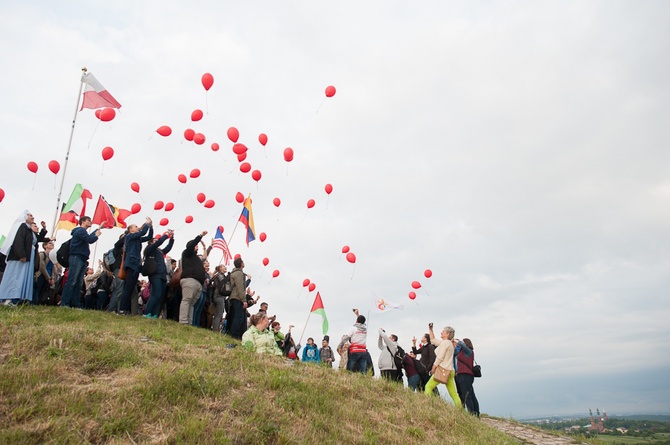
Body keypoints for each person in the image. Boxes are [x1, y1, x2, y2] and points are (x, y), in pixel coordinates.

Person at [0, 211, 43, 305]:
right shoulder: (22, 226)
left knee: (21, 278)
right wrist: (21, 255)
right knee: (14, 277)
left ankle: (17, 299)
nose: (33, 217)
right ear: (25, 216)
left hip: (27, 257)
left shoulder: (28, 229)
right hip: (19, 257)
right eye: (30, 215)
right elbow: (18, 241)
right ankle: (7, 299)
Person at [61, 216, 103, 308]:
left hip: (82, 259)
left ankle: (75, 303)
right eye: (88, 220)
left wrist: (98, 228)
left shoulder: (82, 232)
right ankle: (65, 303)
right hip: (76, 257)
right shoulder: (80, 231)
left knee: (78, 283)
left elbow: (88, 237)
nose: (90, 222)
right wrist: (97, 235)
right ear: (83, 222)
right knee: (72, 281)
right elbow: (90, 239)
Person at [118, 218, 153, 314]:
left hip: (135, 265)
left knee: (130, 287)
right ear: (131, 230)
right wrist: (146, 224)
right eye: (136, 227)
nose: (138, 228)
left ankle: (126, 309)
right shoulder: (129, 236)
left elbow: (149, 236)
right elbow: (142, 233)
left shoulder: (137, 239)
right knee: (128, 288)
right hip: (132, 265)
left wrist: (151, 227)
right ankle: (122, 309)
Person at [423, 324, 462, 408]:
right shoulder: (447, 343)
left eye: (443, 331)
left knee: (428, 387)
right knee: (454, 394)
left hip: (443, 370)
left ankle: (428, 406)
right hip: (450, 371)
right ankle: (460, 410)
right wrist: (431, 329)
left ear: (447, 334)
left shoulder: (445, 343)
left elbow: (440, 357)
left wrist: (433, 368)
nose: (441, 332)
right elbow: (433, 340)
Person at [143, 229, 174, 318]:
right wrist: (166, 235)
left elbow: (168, 247)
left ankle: (154, 314)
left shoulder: (159, 252)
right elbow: (158, 243)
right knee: (155, 294)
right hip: (155, 274)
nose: (158, 242)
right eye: (155, 240)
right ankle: (147, 312)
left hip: (162, 275)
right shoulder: (150, 249)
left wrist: (171, 238)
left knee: (159, 295)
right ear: (150, 242)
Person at [179, 231, 208, 325]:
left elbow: (204, 257)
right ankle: (183, 321)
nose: (197, 247)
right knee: (187, 300)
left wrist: (206, 247)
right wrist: (200, 236)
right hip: (189, 280)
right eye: (196, 245)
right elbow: (191, 246)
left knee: (191, 303)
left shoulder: (196, 258)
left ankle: (189, 322)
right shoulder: (187, 253)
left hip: (198, 283)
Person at [456, 338, 480, 416]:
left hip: (464, 375)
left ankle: (471, 414)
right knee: (471, 395)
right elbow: (456, 350)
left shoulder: (468, 351)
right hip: (466, 376)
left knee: (467, 396)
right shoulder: (464, 352)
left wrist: (458, 341)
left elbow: (462, 345)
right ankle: (476, 413)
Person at [34, 238, 61, 306]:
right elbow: (42, 267)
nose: (52, 244)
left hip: (49, 276)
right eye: (49, 243)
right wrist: (48, 277)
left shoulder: (53, 256)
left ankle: (41, 303)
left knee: (44, 291)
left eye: (52, 243)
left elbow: (55, 270)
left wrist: (51, 278)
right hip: (41, 275)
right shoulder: (42, 254)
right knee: (39, 290)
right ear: (45, 246)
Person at [228, 257, 248, 339]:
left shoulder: (233, 273)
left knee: (234, 316)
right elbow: (240, 287)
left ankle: (231, 332)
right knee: (238, 317)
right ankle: (234, 334)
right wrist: (244, 300)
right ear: (241, 264)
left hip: (233, 297)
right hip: (237, 297)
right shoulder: (239, 274)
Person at [344, 308, 368, 373]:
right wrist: (357, 315)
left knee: (349, 368)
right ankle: (364, 379)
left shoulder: (353, 328)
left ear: (356, 321)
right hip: (363, 351)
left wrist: (339, 346)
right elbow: (362, 323)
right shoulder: (365, 329)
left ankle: (347, 377)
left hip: (354, 350)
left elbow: (346, 337)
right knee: (363, 370)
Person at [210, 265, 228, 332]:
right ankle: (215, 329)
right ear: (220, 268)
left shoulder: (218, 275)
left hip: (218, 296)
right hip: (219, 296)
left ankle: (215, 328)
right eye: (223, 266)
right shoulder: (220, 275)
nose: (225, 267)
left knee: (218, 314)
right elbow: (223, 282)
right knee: (218, 314)